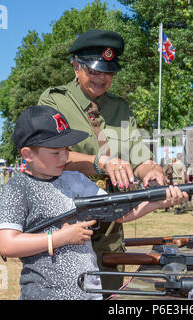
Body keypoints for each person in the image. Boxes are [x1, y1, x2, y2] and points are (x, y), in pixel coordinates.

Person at [0, 105, 187, 300]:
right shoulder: (18, 187)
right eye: (55, 152)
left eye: (67, 149)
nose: (65, 157)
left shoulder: (75, 180)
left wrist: (160, 201)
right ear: (28, 154)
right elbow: (7, 244)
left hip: (88, 293)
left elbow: (119, 213)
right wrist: (60, 238)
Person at [37, 29, 167, 292]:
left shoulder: (120, 108)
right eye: (94, 71)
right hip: (66, 225)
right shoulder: (54, 100)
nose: (102, 79)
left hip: (110, 229)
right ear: (76, 66)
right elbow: (47, 155)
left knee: (109, 294)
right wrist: (101, 162)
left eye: (108, 73)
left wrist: (152, 171)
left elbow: (138, 156)